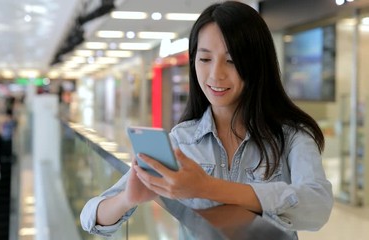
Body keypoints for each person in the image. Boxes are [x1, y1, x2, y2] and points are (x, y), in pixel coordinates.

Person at [80, 1, 333, 239]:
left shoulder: (292, 136)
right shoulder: (182, 140)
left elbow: (317, 205)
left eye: (231, 60)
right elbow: (90, 217)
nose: (215, 74)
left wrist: (205, 187)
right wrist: (128, 198)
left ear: (257, 64)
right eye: (204, 59)